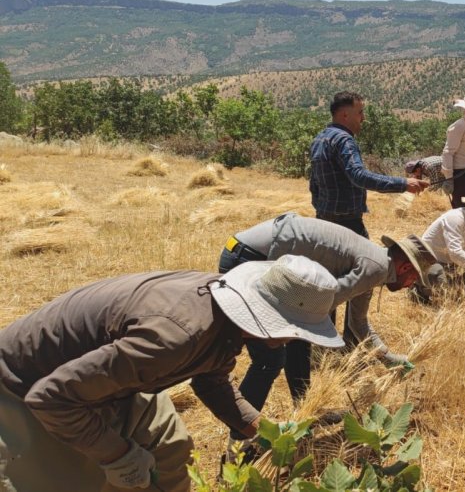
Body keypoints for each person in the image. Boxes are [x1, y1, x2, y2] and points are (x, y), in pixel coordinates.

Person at [0, 255, 343, 492]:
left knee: (169, 451)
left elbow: (211, 379)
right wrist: (118, 455)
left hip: (99, 380)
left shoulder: (222, 316)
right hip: (23, 383)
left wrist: (262, 430)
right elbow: (51, 399)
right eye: (296, 329)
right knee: (76, 480)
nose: (294, 338)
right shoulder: (175, 338)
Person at [218, 213, 441, 435]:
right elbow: (318, 308)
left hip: (245, 251)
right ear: (404, 269)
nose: (411, 286)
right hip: (249, 258)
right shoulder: (376, 268)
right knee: (270, 359)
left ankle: (305, 414)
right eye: (414, 280)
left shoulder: (374, 265)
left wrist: (388, 357)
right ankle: (242, 439)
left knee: (299, 342)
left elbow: (358, 323)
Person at [309, 91, 429, 354]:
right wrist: (403, 184)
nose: (363, 119)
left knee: (329, 282)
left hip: (323, 224)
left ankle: (326, 345)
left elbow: (314, 186)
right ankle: (354, 338)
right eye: (360, 113)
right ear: (345, 114)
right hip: (348, 223)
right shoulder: (344, 140)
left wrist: (321, 212)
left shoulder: (319, 140)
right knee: (361, 280)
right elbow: (358, 175)